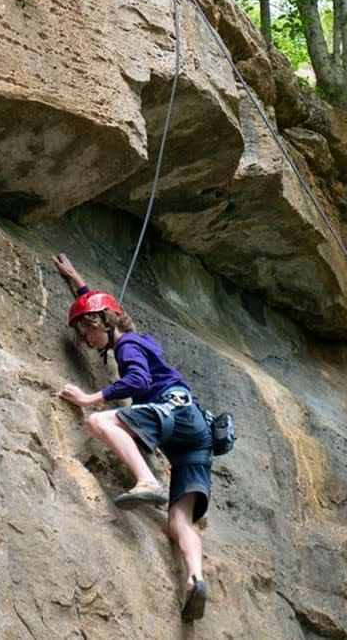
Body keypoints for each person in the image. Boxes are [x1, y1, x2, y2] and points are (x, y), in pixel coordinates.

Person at [51, 253, 213, 622]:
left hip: (174, 411)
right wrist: (77, 279)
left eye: (86, 330)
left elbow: (138, 381)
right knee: (178, 523)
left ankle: (147, 480)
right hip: (193, 437)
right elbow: (102, 307)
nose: (86, 339)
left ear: (103, 323)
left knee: (99, 423)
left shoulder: (126, 347)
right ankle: (194, 579)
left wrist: (89, 398)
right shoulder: (134, 338)